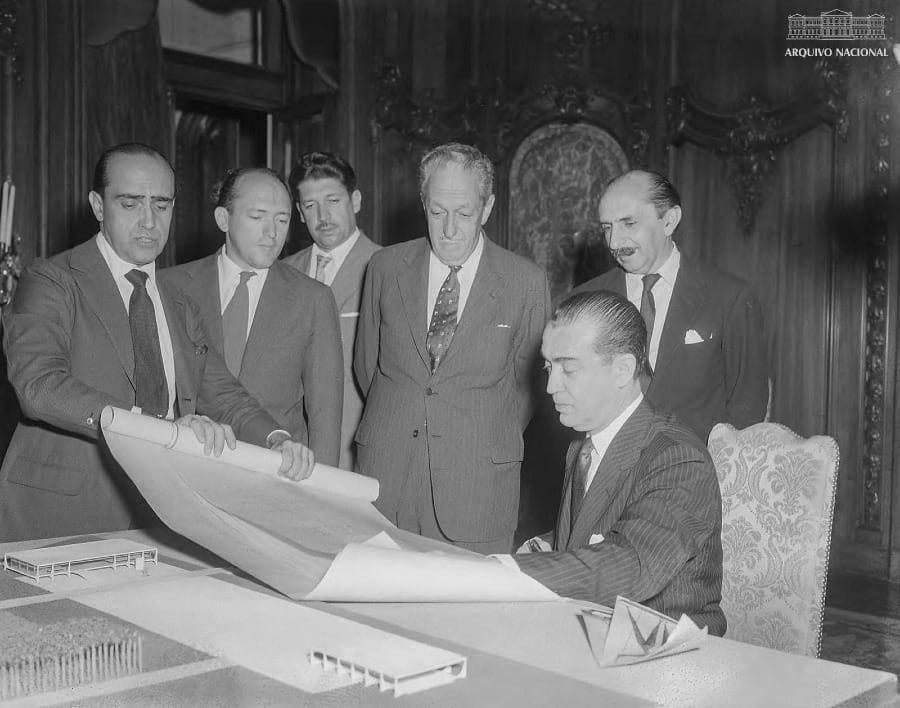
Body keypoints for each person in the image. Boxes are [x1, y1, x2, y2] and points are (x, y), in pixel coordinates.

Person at [0, 144, 314, 542]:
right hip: (60, 516)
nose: (149, 221)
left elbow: (224, 394)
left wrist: (277, 440)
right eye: (130, 204)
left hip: (161, 516)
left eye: (161, 205)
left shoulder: (179, 302)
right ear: (98, 206)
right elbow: (40, 387)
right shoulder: (51, 280)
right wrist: (158, 429)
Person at [355, 142, 551, 554]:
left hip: (476, 484)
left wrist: (473, 433)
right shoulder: (385, 268)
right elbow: (366, 367)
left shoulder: (525, 283)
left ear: (488, 207)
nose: (448, 229)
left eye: (463, 214)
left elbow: (528, 388)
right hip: (386, 478)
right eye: (437, 211)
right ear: (422, 202)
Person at [513, 290, 726, 635]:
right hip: (594, 629)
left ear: (623, 369)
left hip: (664, 649)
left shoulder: (678, 458)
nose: (551, 385)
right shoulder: (583, 446)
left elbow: (630, 563)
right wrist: (551, 543)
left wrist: (502, 573)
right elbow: (608, 521)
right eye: (549, 367)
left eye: (568, 368)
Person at [161, 167, 343, 466]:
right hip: (186, 467)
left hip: (274, 475)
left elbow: (325, 414)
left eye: (282, 220)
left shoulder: (313, 299)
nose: (272, 233)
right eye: (257, 217)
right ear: (223, 219)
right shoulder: (171, 286)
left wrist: (322, 495)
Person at [573, 170, 768, 442]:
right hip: (609, 476)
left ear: (669, 221)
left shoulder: (729, 298)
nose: (614, 242)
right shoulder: (584, 301)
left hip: (693, 473)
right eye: (607, 227)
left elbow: (748, 410)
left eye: (629, 224)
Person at [283, 152, 380, 470]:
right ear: (299, 212)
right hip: (291, 448)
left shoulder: (388, 269)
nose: (323, 215)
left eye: (333, 201)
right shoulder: (281, 273)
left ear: (355, 201)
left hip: (356, 447)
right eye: (310, 206)